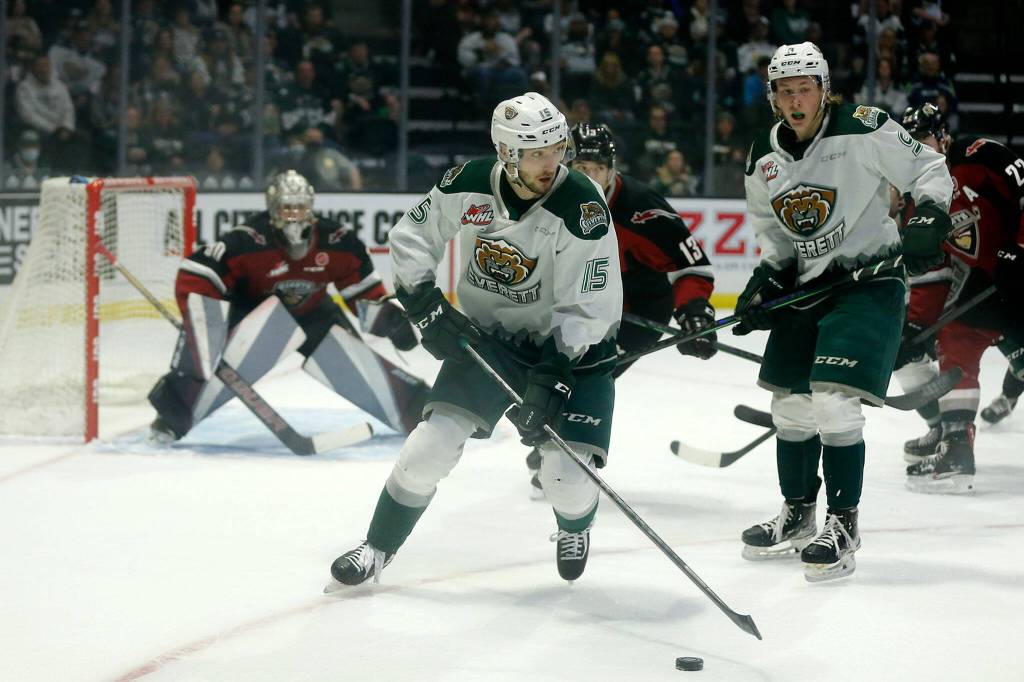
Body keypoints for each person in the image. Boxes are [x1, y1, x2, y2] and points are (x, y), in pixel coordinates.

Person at [327, 92, 622, 588]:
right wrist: (424, 304)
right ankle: (377, 547)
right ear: (507, 154)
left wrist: (551, 376)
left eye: (556, 149)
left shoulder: (582, 209)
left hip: (572, 351)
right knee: (430, 447)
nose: (551, 162)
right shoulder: (466, 184)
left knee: (564, 479)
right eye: (536, 153)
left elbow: (585, 307)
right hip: (490, 340)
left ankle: (576, 525)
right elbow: (411, 239)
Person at [736, 43, 954, 581]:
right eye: (785, 90)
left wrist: (928, 214)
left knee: (833, 404)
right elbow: (775, 238)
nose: (796, 99)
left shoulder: (864, 126)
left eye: (805, 88)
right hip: (808, 289)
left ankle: (844, 522)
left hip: (868, 282)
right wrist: (767, 279)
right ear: (773, 97)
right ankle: (797, 514)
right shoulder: (761, 158)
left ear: (824, 89)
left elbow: (929, 169)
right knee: (791, 408)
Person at [148, 170, 417, 443]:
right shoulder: (247, 240)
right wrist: (204, 328)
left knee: (360, 367)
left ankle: (421, 413)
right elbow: (198, 272)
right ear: (272, 208)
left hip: (315, 315)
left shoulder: (338, 241)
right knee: (209, 369)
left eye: (299, 207)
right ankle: (170, 420)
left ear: (310, 207)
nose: (293, 214)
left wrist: (389, 321)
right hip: (259, 319)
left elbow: (361, 291)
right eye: (286, 207)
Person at [522, 123, 715, 494]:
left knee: (592, 373)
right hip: (578, 302)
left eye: (597, 168)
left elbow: (691, 265)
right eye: (580, 168)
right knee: (554, 367)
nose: (589, 177)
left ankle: (568, 449)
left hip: (638, 310)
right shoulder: (546, 200)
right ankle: (557, 443)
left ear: (612, 169)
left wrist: (692, 311)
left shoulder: (644, 210)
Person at [892, 104, 1024, 493]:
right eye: (907, 144)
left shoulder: (982, 156)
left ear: (944, 138)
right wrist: (917, 323)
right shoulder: (917, 200)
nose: (915, 150)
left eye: (922, 140)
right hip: (982, 292)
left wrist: (1019, 246)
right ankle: (953, 442)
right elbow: (933, 274)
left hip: (1019, 279)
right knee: (952, 342)